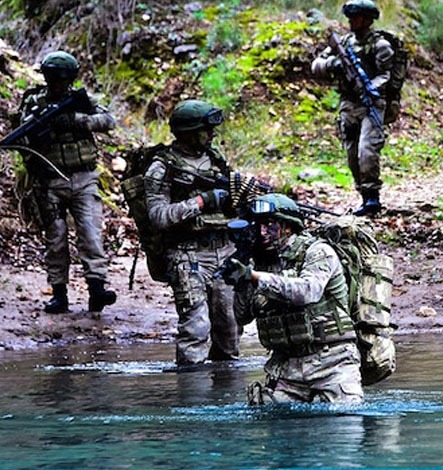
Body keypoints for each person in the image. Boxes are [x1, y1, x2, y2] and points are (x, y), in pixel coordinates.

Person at [221, 193, 363, 404]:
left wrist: (254, 277)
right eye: (258, 226)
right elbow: (242, 317)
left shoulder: (318, 252)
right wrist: (242, 280)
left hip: (333, 362)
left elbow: (308, 291)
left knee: (341, 423)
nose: (262, 232)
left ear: (287, 227)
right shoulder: (261, 263)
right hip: (286, 368)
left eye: (269, 225)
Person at [17, 50, 117, 314]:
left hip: (84, 177)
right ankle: (59, 294)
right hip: (49, 182)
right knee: (56, 239)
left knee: (91, 235)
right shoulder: (33, 103)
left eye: (63, 79)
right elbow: (21, 136)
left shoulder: (80, 101)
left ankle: (97, 290)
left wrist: (74, 121)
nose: (58, 84)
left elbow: (108, 120)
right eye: (54, 79)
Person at [144, 99, 241, 366]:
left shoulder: (217, 161)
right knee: (195, 328)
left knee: (230, 329)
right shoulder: (162, 167)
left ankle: (227, 399)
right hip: (188, 256)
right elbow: (158, 216)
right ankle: (192, 397)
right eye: (205, 130)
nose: (212, 134)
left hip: (225, 250)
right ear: (187, 131)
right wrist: (201, 202)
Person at [311, 0, 394, 216]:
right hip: (349, 104)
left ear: (367, 20)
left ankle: (372, 198)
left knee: (367, 150)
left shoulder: (380, 45)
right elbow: (316, 66)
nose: (351, 21)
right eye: (350, 17)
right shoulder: (343, 44)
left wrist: (368, 88)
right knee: (351, 153)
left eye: (355, 17)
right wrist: (334, 64)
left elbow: (386, 75)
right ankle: (364, 197)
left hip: (372, 103)